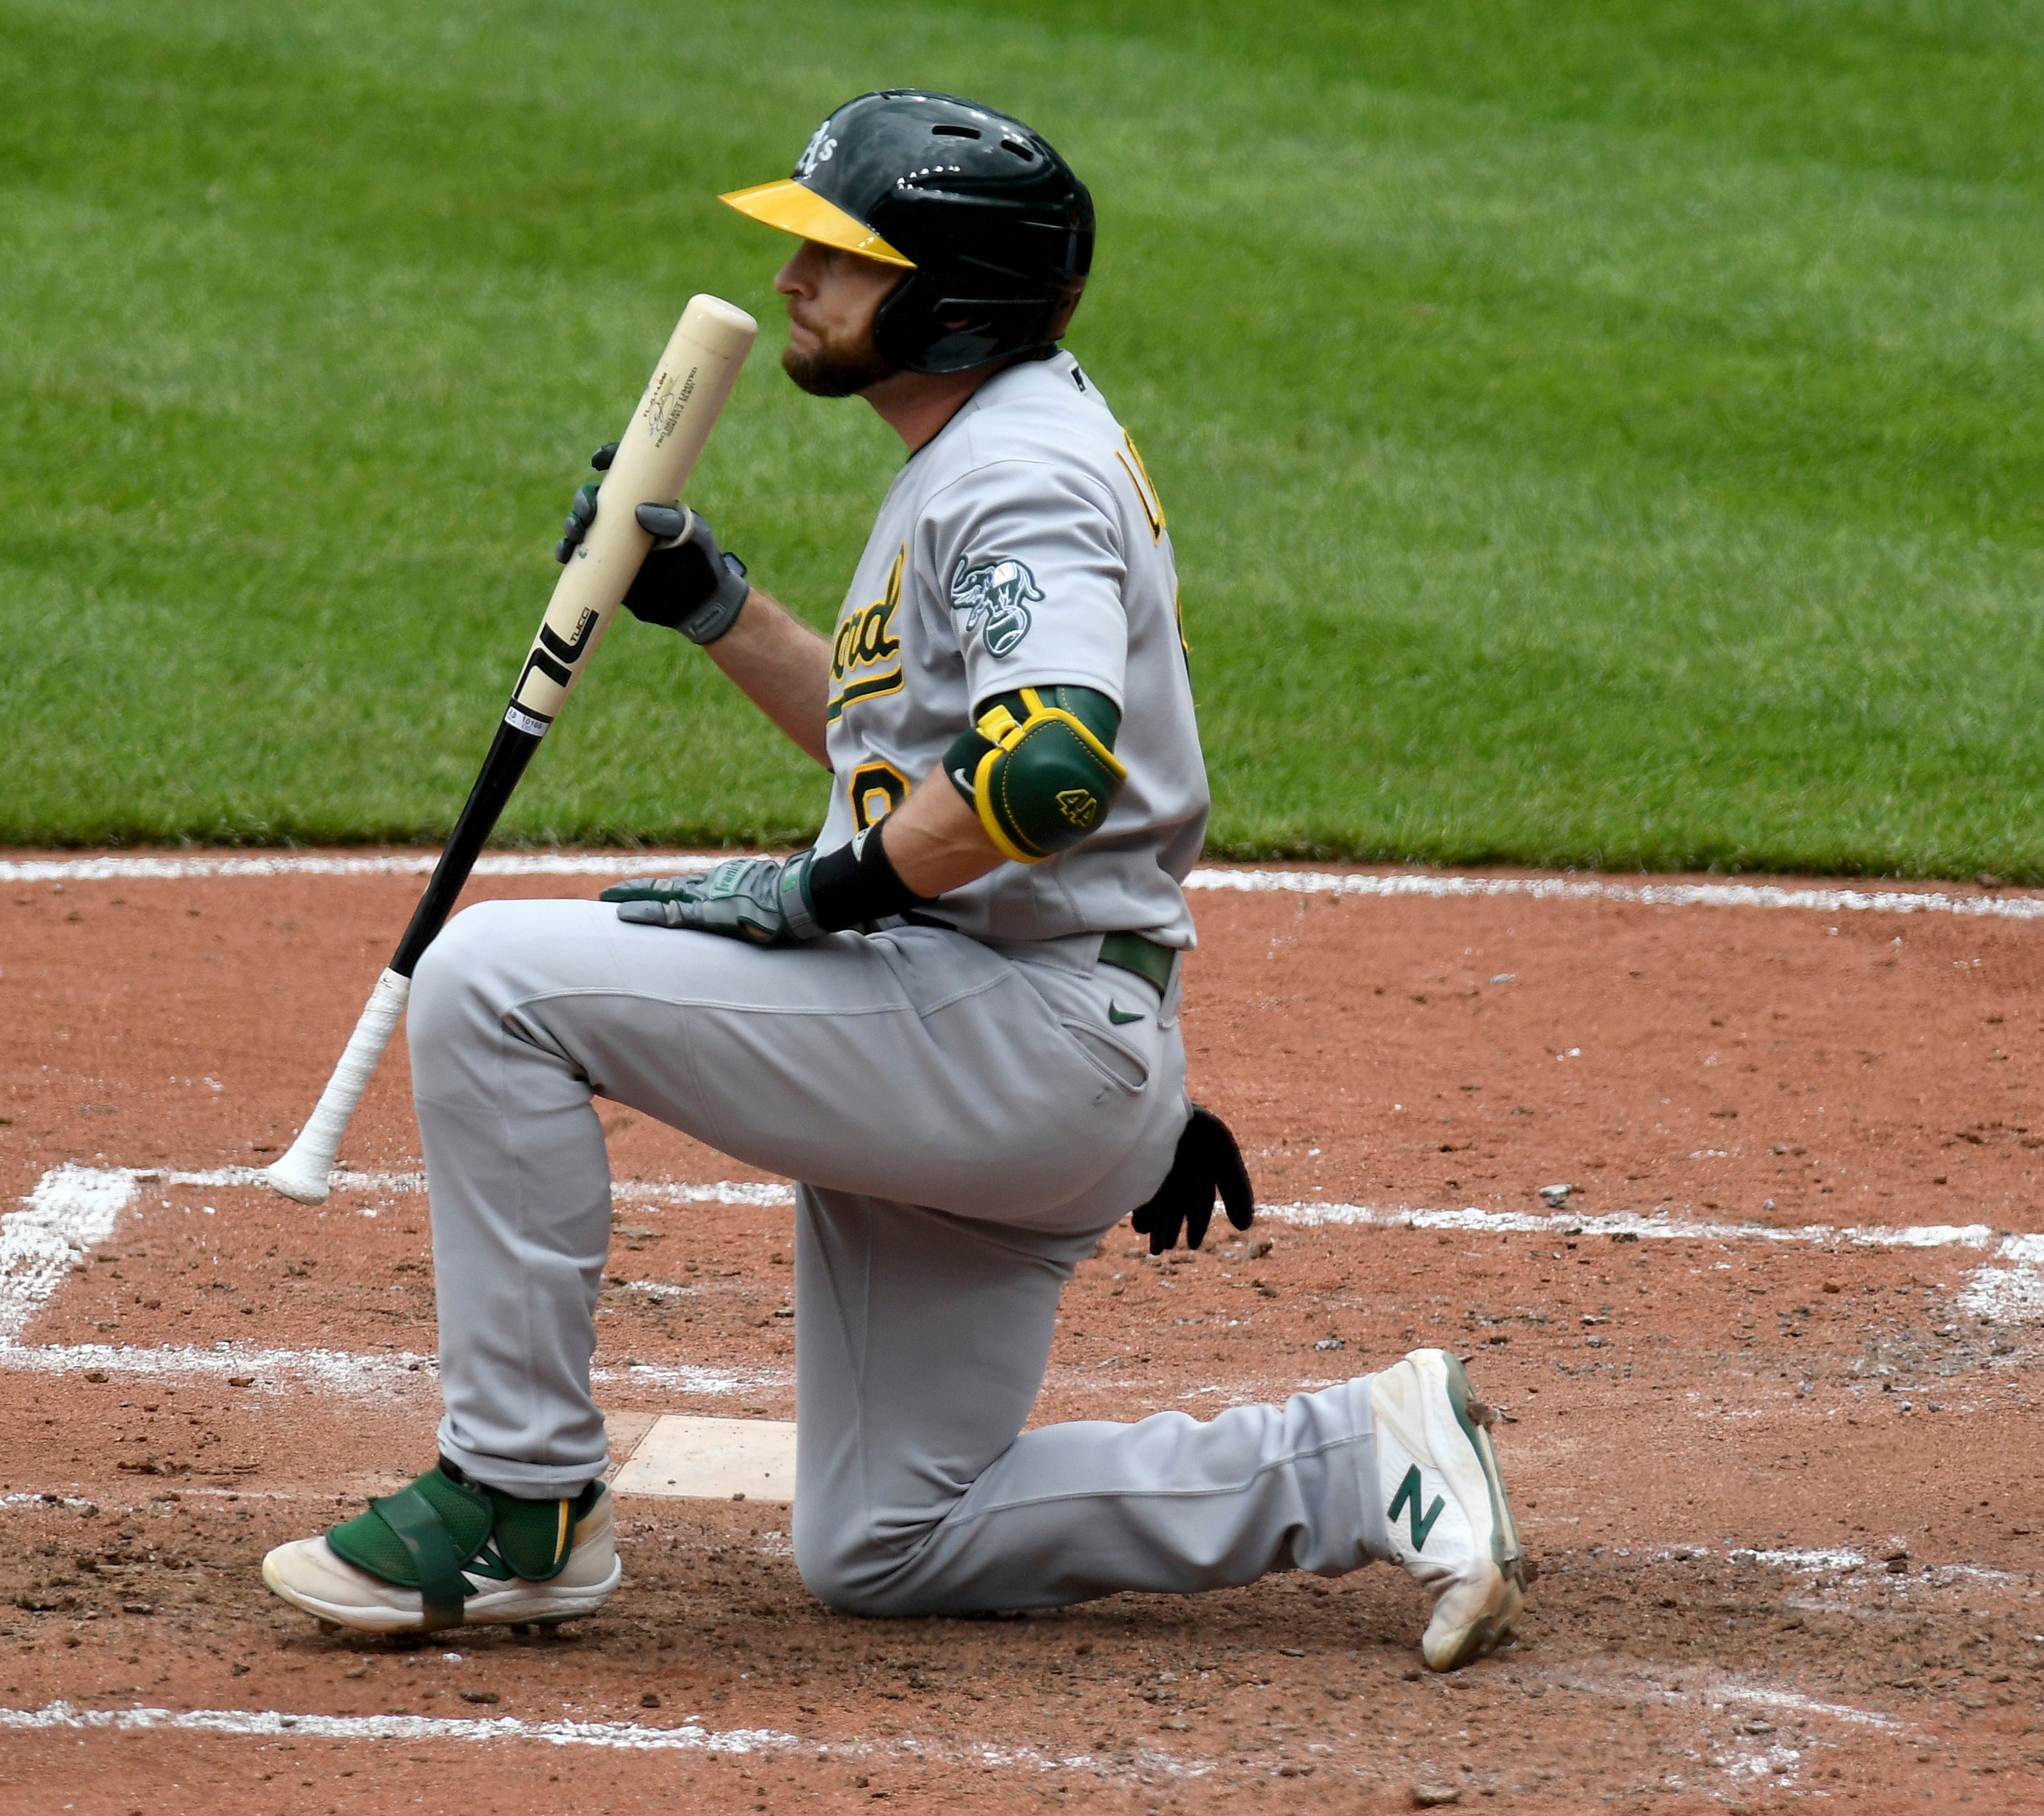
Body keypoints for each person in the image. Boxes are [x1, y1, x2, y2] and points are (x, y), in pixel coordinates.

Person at [259, 90, 1528, 1671]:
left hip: (1008, 1025)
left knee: (492, 982)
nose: (797, 280)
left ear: (953, 300)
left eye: (843, 258)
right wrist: (713, 604)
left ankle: (519, 1497)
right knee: (892, 1540)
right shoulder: (987, 448)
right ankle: (1363, 1456)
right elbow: (933, 768)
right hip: (1022, 1031)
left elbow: (1047, 768)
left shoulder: (1019, 480)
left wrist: (820, 902)